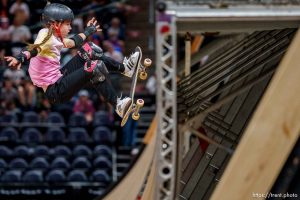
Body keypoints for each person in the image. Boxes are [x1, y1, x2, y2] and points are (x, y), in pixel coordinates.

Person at [4, 3, 141, 118]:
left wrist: (88, 32)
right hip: (55, 91)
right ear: (56, 24)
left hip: (59, 77)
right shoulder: (45, 37)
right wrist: (20, 58)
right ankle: (118, 105)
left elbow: (73, 42)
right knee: (94, 67)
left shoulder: (54, 36)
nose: (70, 28)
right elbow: (34, 49)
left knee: (89, 49)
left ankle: (125, 69)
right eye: (67, 24)